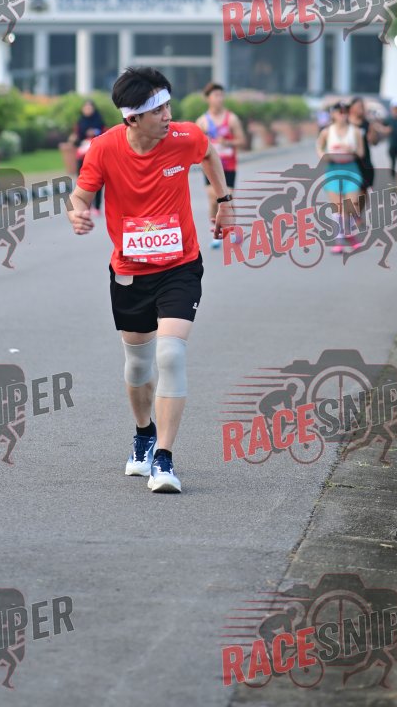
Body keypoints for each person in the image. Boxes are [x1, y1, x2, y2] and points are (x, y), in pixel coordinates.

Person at [67, 66, 234, 494]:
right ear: (133, 117)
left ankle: (164, 457)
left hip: (180, 266)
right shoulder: (104, 148)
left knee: (171, 355)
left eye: (168, 106)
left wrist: (224, 200)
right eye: (158, 110)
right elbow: (81, 194)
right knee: (139, 364)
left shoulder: (184, 137)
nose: (168, 116)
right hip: (130, 272)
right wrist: (78, 213)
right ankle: (143, 433)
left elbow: (210, 154)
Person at [195, 82, 247, 249]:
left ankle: (232, 229)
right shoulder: (202, 121)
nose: (219, 98)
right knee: (213, 201)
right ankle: (216, 232)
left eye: (221, 95)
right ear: (208, 98)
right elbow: (196, 145)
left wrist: (228, 143)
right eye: (215, 95)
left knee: (228, 198)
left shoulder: (231, 119)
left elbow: (242, 140)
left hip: (228, 166)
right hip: (210, 166)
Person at [316, 101, 365, 254]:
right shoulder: (327, 132)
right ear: (333, 114)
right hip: (333, 169)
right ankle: (339, 241)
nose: (342, 115)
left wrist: (351, 149)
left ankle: (349, 233)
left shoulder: (355, 131)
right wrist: (324, 155)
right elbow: (319, 147)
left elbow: (361, 152)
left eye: (345, 112)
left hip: (351, 169)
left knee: (350, 206)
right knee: (337, 207)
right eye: (339, 112)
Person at [348, 96, 382, 219]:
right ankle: (350, 215)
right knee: (351, 191)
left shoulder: (367, 124)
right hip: (349, 162)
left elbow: (374, 142)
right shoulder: (345, 123)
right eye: (358, 106)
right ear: (351, 108)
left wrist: (373, 130)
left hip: (364, 162)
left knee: (363, 191)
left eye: (362, 106)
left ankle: (357, 215)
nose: (360, 109)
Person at [70, 99, 106, 213]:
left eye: (89, 108)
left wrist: (94, 133)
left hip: (96, 155)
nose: (87, 110)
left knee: (98, 180)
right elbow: (76, 139)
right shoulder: (80, 122)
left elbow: (105, 135)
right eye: (85, 108)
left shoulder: (99, 121)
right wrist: (76, 140)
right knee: (83, 181)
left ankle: (97, 206)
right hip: (82, 156)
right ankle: (85, 205)